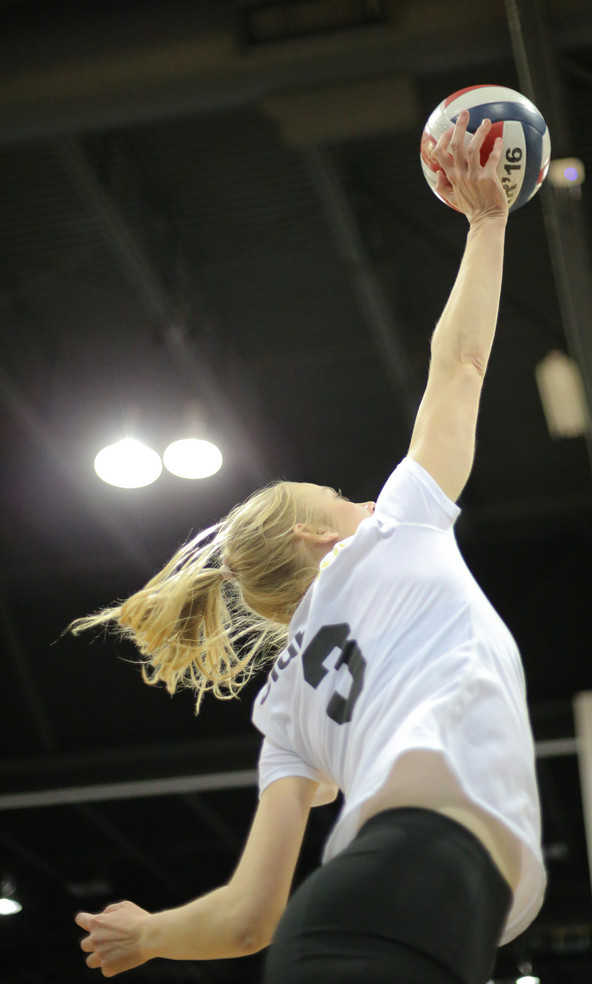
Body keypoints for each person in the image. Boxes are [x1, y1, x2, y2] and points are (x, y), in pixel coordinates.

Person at [72, 112, 546, 983]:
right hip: (411, 898)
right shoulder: (395, 531)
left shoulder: (285, 711)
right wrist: (488, 222)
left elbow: (249, 919)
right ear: (317, 534)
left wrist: (151, 935)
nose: (368, 499)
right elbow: (461, 364)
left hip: (372, 916)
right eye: (345, 498)